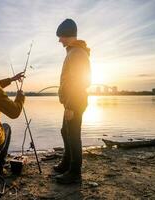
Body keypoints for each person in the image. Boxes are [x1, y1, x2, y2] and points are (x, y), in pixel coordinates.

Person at [54, 19, 91, 184]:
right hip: (71, 101)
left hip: (74, 102)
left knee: (73, 136)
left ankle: (74, 173)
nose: (59, 40)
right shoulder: (73, 52)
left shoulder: (77, 53)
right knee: (65, 131)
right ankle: (66, 163)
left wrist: (70, 106)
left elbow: (80, 82)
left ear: (67, 34)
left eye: (60, 36)